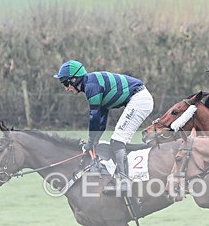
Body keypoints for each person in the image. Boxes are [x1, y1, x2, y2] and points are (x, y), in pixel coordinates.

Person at [54, 60, 154, 194]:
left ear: (74, 79)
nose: (66, 88)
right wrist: (94, 140)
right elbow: (101, 119)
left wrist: (90, 141)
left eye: (66, 83)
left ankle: (125, 182)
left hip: (139, 99)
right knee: (117, 141)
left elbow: (94, 117)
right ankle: (123, 177)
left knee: (118, 141)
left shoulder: (91, 87)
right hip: (139, 98)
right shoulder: (91, 84)